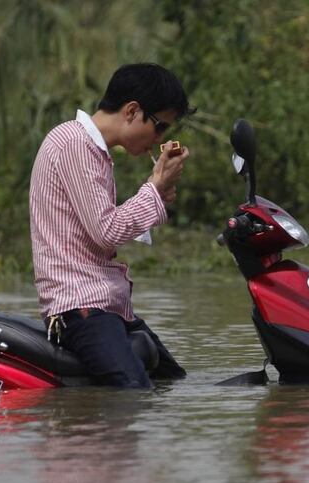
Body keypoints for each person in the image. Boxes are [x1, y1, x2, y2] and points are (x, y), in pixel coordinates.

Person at [29, 63, 193, 388]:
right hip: (80, 306)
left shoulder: (94, 150)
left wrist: (155, 192)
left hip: (106, 304)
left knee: (172, 382)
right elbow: (107, 231)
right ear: (132, 110)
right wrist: (154, 188)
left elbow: (103, 225)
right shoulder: (74, 144)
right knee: (134, 392)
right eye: (159, 127)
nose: (159, 138)